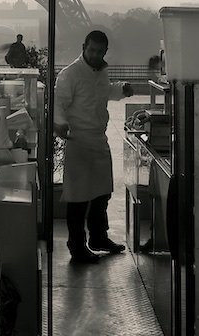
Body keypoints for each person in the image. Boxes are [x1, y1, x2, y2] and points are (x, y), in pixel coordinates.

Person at [54, 30, 134, 264]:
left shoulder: (101, 72)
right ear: (83, 47)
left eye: (99, 52)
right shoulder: (69, 74)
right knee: (78, 198)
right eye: (92, 50)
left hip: (98, 139)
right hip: (77, 140)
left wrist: (121, 89)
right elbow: (59, 102)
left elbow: (103, 92)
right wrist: (60, 124)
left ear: (105, 52)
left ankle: (98, 237)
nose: (95, 55)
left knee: (102, 193)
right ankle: (77, 246)